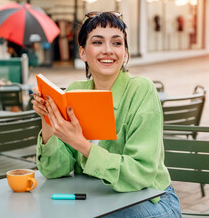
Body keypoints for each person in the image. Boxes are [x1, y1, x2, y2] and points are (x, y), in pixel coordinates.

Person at [32, 11, 182, 217]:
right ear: (83, 53)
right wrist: (48, 118)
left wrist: (81, 144)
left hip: (151, 200)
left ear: (125, 53)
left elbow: (140, 174)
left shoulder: (141, 90)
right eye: (98, 42)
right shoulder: (76, 91)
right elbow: (53, 171)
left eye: (117, 43)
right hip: (96, 199)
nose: (108, 50)